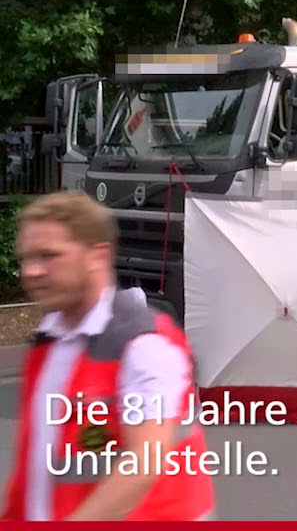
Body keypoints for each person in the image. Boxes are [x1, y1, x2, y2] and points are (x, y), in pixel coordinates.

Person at [2, 191, 216, 521]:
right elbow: (35, 475)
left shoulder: (146, 347)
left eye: (48, 256)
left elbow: (145, 463)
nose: (31, 272)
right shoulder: (50, 340)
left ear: (97, 257)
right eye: (27, 259)